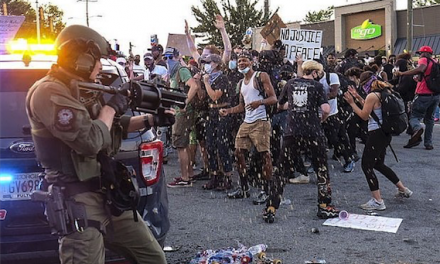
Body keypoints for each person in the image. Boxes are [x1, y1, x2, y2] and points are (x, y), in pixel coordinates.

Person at [25, 25, 168, 264]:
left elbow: (112, 126)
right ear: (80, 59)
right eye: (97, 60)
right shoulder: (49, 92)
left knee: (153, 258)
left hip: (108, 193)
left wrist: (151, 119)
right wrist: (111, 107)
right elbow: (90, 140)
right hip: (78, 198)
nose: (101, 66)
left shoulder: (80, 89)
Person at [276, 60, 340, 219]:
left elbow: (279, 105)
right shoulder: (318, 86)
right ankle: (324, 206)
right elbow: (326, 108)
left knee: (282, 170)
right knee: (321, 169)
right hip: (312, 132)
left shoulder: (290, 83)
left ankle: (271, 207)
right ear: (316, 73)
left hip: (292, 131)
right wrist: (322, 118)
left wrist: (293, 107)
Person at [219, 51, 278, 223]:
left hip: (260, 122)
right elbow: (241, 106)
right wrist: (228, 111)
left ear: (252, 62)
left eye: (244, 60)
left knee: (264, 155)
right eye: (239, 62)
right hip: (247, 122)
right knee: (238, 152)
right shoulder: (241, 83)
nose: (241, 64)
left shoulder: (261, 76)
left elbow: (273, 98)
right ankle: (244, 187)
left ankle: (267, 190)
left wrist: (259, 102)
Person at [343, 80, 413, 211]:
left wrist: (352, 103)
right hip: (385, 133)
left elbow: (364, 115)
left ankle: (377, 200)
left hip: (376, 133)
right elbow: (372, 110)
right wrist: (358, 97)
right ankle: (403, 189)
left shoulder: (372, 96)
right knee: (378, 164)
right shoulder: (386, 93)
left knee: (366, 165)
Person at [395, 46, 440, 150]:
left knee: (414, 117)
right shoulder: (435, 62)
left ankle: (417, 129)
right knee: (429, 119)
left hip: (423, 94)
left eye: (420, 53)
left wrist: (403, 73)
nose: (419, 56)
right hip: (435, 95)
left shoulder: (424, 60)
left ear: (424, 53)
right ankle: (428, 143)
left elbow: (420, 69)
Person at [166, 48, 200, 187]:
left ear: (177, 57)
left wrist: (184, 103)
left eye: (170, 57)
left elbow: (194, 86)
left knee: (180, 144)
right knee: (183, 144)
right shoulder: (174, 73)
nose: (168, 60)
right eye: (166, 57)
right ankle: (189, 174)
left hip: (183, 113)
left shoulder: (181, 70)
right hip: (180, 112)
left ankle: (185, 178)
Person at [200, 54, 234, 190]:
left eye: (208, 62)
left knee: (222, 145)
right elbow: (204, 96)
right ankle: (214, 175)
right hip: (211, 113)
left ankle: (228, 176)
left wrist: (207, 83)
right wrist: (199, 83)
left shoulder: (222, 78)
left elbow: (214, 96)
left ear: (215, 63)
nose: (206, 65)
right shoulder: (208, 78)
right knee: (210, 145)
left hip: (222, 112)